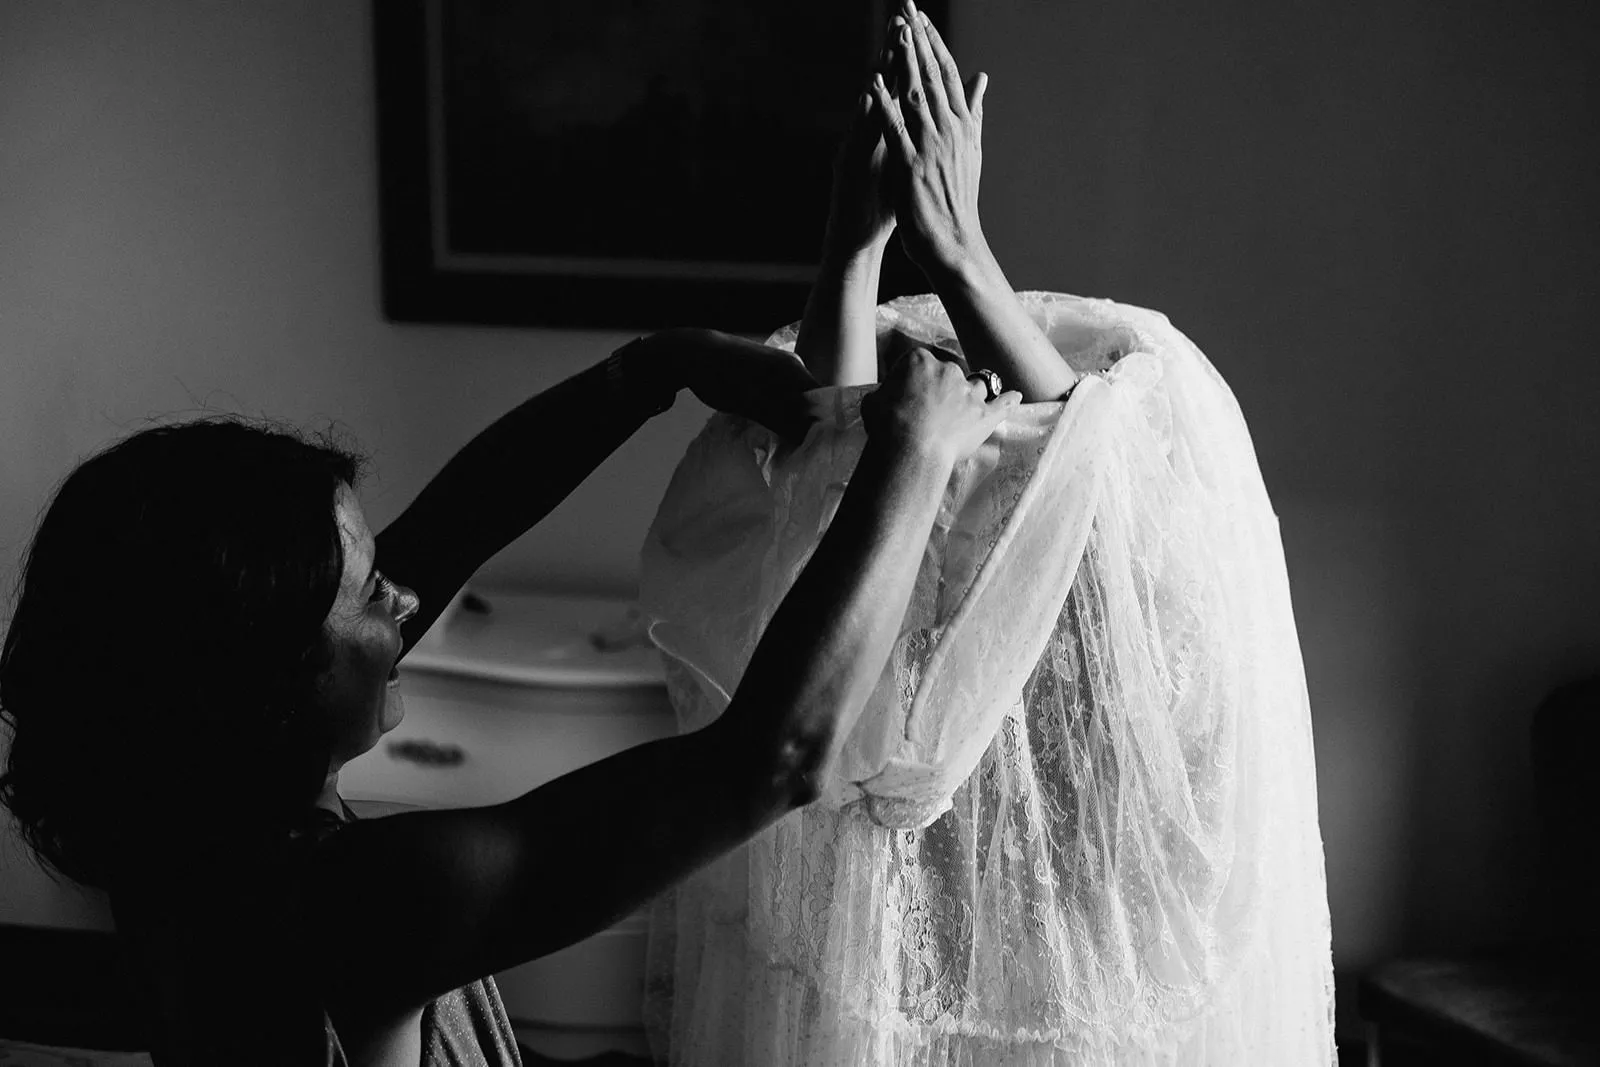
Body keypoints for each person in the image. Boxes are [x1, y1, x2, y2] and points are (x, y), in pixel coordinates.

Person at [0, 218, 1023, 1064]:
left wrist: (650, 369)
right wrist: (912, 457)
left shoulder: (171, 809)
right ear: (263, 685)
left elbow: (458, 521)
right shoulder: (352, 897)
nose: (407, 596)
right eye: (369, 592)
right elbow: (775, 757)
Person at [638, 2, 1337, 1064]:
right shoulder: (875, 662)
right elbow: (827, 474)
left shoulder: (1123, 618)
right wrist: (875, 245)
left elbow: (1095, 499)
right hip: (891, 967)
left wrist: (939, 247)